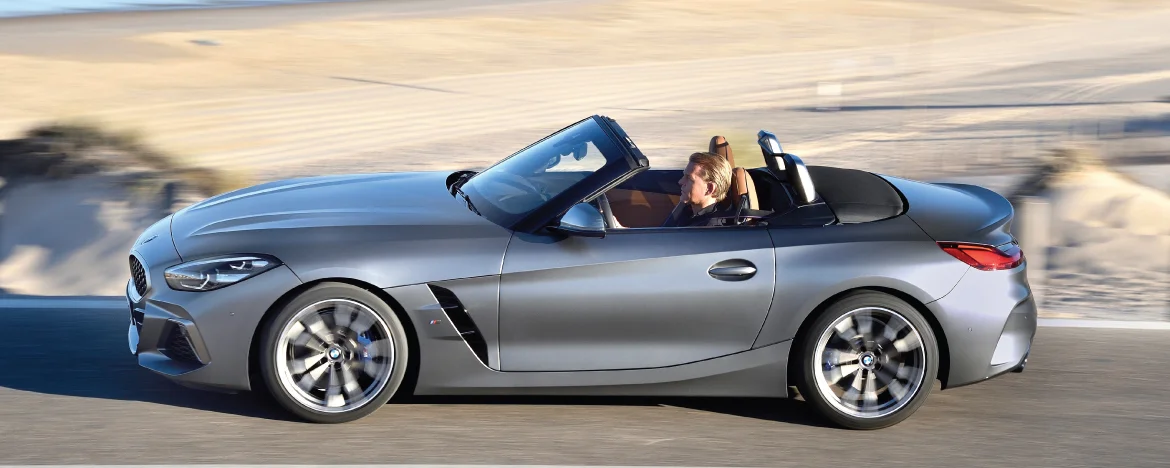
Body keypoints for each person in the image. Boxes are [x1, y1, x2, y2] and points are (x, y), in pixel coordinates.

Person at [661, 151, 733, 227]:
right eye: (684, 176)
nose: (680, 181)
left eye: (689, 178)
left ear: (709, 188)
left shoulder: (706, 231)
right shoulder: (688, 211)